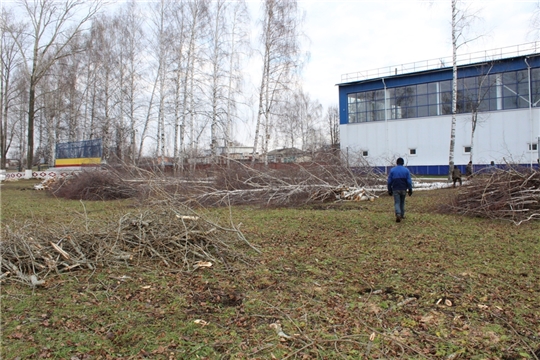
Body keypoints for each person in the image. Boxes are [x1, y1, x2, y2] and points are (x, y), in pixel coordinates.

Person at [387, 157, 413, 223]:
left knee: (397, 202)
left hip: (395, 188)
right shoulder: (406, 170)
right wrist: (410, 189)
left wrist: (389, 189)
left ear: (397, 162)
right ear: (403, 163)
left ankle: (398, 214)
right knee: (402, 202)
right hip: (403, 188)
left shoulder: (392, 170)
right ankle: (402, 214)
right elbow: (409, 181)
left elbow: (389, 181)